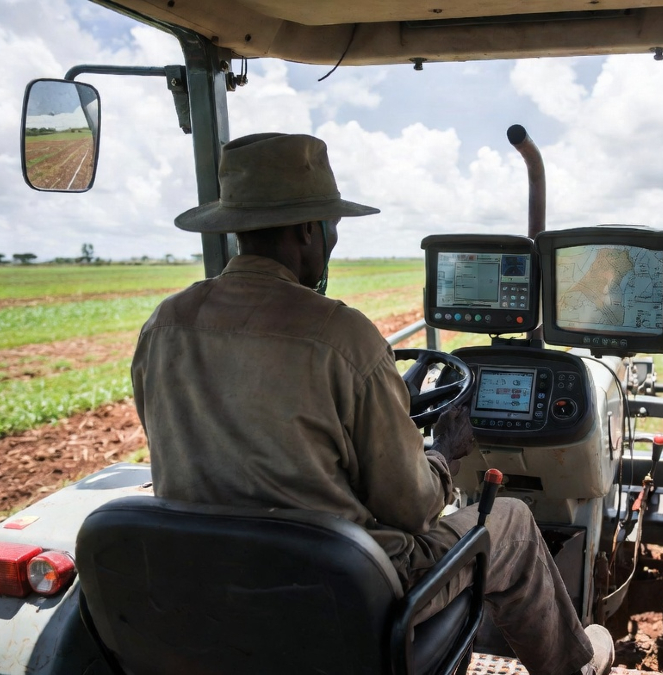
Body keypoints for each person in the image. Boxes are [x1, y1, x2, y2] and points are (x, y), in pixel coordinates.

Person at [131, 132, 614, 675]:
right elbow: (412, 508)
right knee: (512, 519)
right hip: (342, 587)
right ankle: (574, 666)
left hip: (208, 578)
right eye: (331, 226)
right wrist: (444, 454)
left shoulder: (164, 325)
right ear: (308, 229)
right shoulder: (343, 337)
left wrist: (383, 408)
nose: (332, 240)